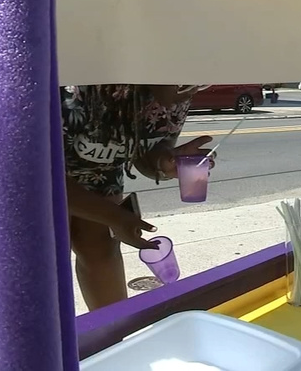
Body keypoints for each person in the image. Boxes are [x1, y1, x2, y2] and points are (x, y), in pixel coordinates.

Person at [61, 84, 213, 310]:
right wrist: (114, 217)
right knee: (44, 259)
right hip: (35, 174)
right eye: (184, 83)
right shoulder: (74, 89)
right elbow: (34, 176)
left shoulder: (179, 89)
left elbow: (144, 151)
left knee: (100, 248)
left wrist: (163, 162)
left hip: (102, 173)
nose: (189, 91)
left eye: (199, 84)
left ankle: (113, 334)